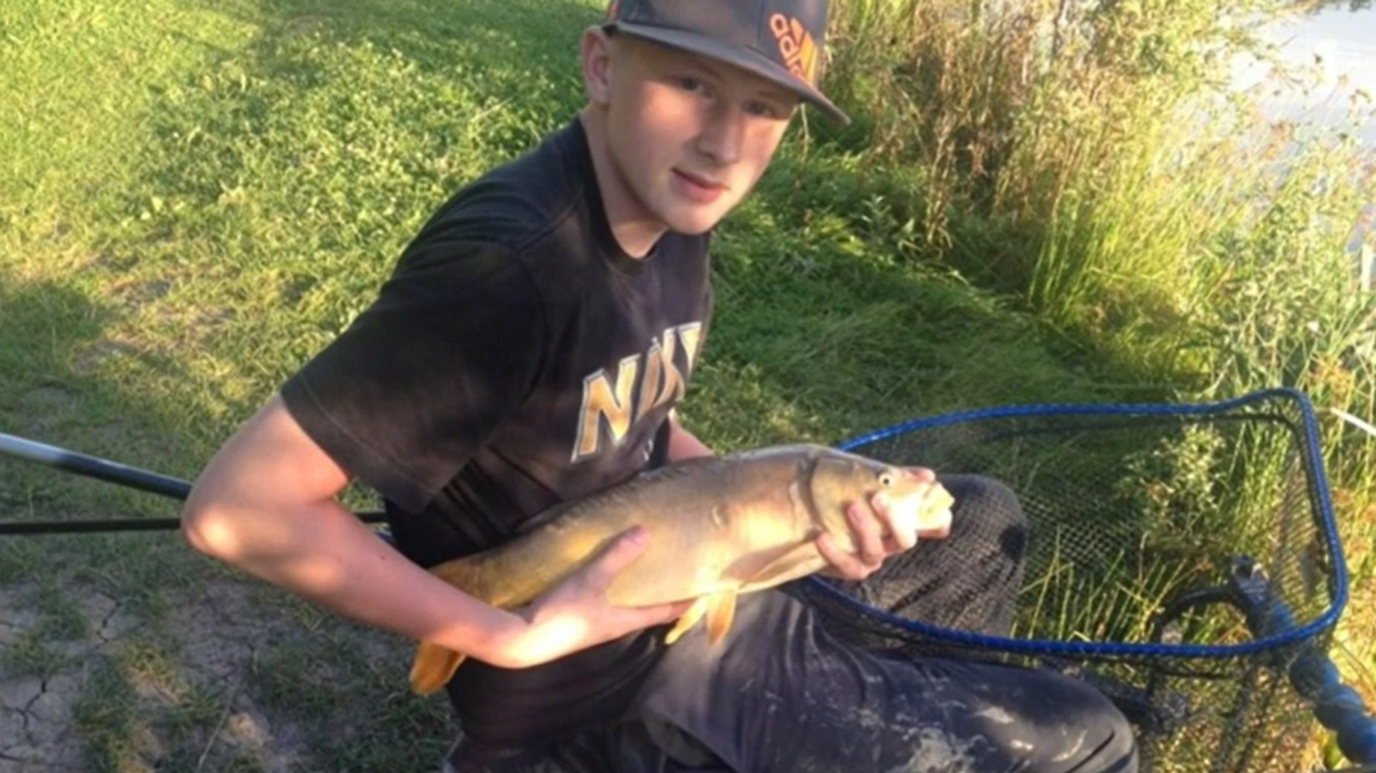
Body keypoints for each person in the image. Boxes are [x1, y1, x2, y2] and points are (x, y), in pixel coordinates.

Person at [180, 0, 1140, 771]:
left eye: (765, 107)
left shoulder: (670, 206)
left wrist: (777, 513)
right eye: (692, 83)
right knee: (1091, 733)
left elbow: (639, 419)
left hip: (689, 589)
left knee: (978, 520)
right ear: (602, 64)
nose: (727, 143)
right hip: (602, 694)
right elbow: (236, 510)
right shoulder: (508, 269)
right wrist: (504, 637)